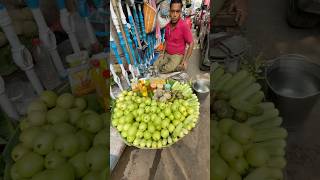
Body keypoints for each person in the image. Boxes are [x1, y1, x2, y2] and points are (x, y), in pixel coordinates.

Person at [154, 0, 194, 73]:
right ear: (169, 11)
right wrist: (162, 53)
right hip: (167, 53)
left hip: (177, 55)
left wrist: (185, 60)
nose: (174, 15)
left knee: (166, 69)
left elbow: (191, 43)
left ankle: (179, 67)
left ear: (180, 12)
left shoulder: (184, 26)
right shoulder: (167, 25)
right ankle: (175, 67)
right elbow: (166, 40)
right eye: (172, 11)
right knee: (155, 65)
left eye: (177, 11)